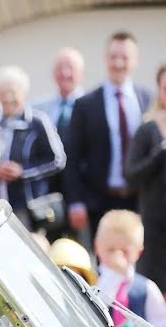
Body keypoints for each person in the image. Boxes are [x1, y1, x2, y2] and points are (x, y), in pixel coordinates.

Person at [64, 31, 152, 237]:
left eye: (125, 57)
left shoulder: (147, 100)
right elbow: (73, 157)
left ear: (136, 60)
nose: (119, 63)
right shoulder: (85, 104)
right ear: (105, 58)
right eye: (113, 57)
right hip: (99, 201)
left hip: (141, 200)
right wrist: (75, 201)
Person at [0, 66, 66, 227]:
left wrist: (22, 171)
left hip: (30, 208)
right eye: (3, 93)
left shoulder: (38, 122)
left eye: (13, 92)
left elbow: (57, 160)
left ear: (24, 93)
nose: (8, 98)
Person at [94, 210, 166, 327]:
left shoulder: (146, 288)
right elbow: (93, 308)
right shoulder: (92, 280)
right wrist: (112, 278)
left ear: (138, 252)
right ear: (97, 246)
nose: (118, 257)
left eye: (125, 251)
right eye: (111, 250)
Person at [125, 65, 166, 296]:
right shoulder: (147, 129)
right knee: (156, 291)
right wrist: (159, 153)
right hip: (155, 228)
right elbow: (131, 174)